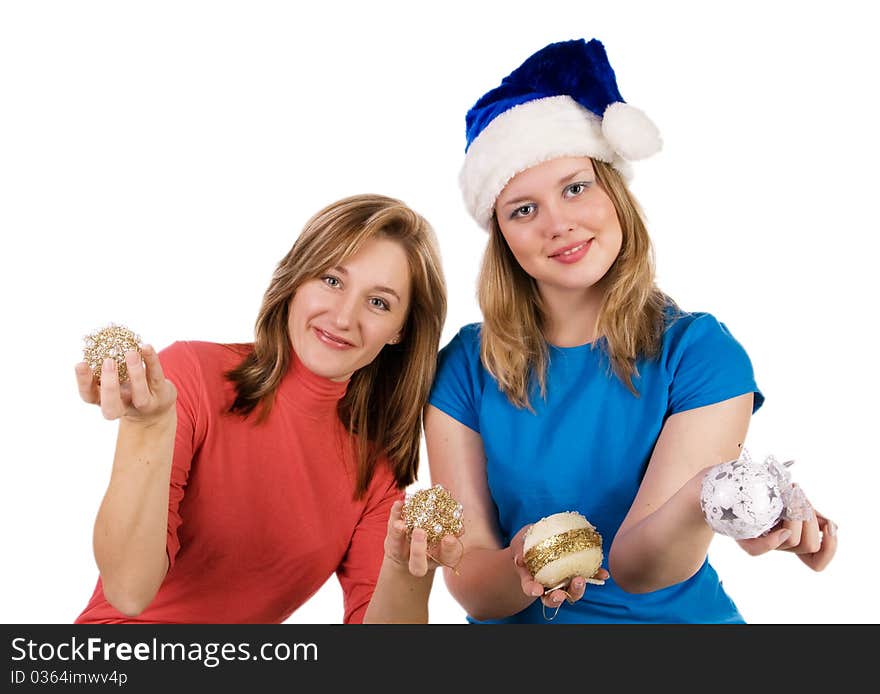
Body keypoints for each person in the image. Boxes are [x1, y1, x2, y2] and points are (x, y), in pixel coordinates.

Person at [425, 38, 837, 623]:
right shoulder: (465, 366)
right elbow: (470, 587)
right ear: (503, 239)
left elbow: (643, 568)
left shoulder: (699, 355)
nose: (559, 224)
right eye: (523, 209)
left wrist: (708, 493)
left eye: (575, 186)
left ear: (613, 190)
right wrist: (521, 563)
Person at [73, 193, 458, 624]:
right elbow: (127, 592)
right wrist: (148, 426)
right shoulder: (192, 376)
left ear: (399, 331)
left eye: (378, 302)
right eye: (331, 280)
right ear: (297, 278)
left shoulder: (377, 472)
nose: (344, 317)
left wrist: (406, 569)